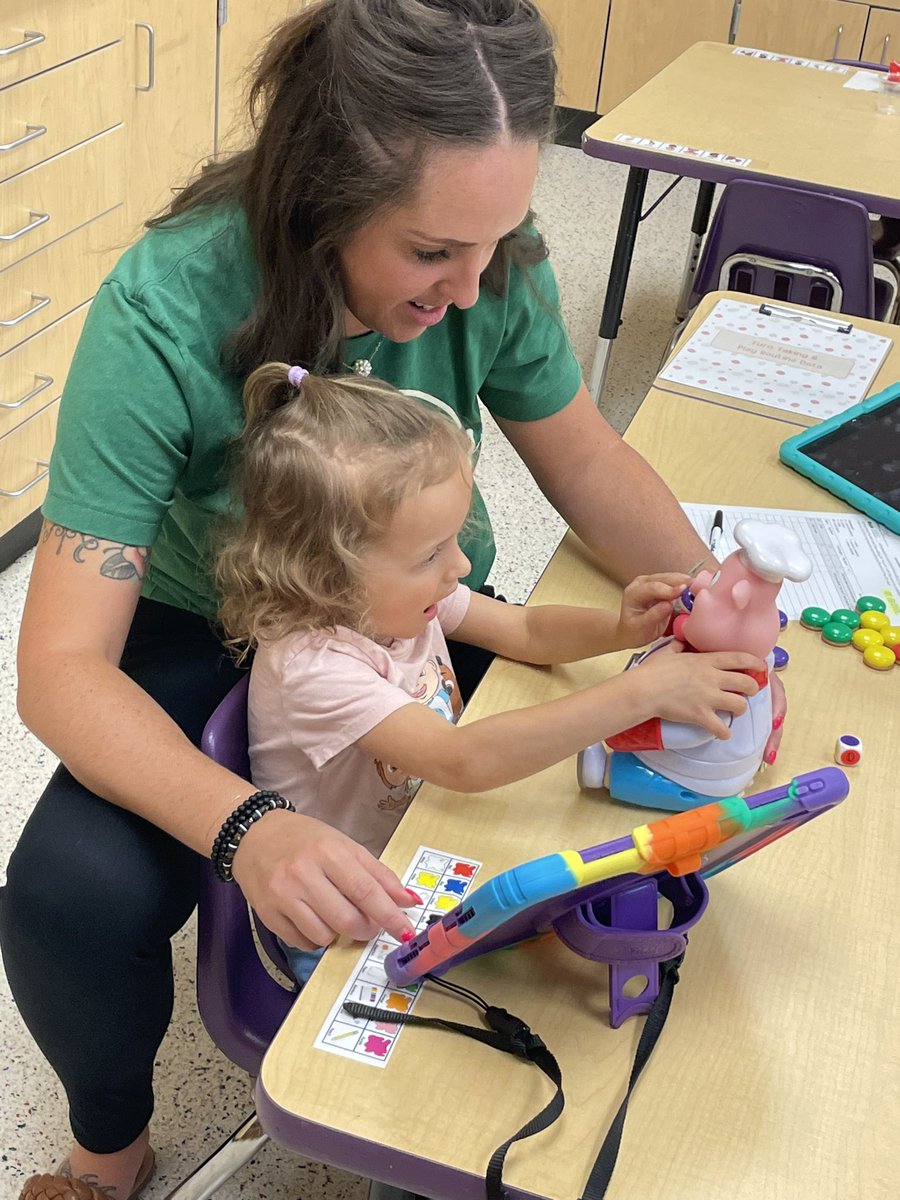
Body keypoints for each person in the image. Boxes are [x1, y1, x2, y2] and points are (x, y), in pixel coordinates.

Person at [0, 2, 783, 1197]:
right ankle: (108, 1158)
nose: (473, 291)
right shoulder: (165, 310)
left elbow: (583, 461)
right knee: (70, 897)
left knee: (571, 827)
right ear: (320, 195)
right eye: (431, 254)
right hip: (199, 619)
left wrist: (716, 616)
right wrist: (246, 826)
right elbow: (61, 669)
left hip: (408, 601)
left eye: (500, 241)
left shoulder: (488, 264)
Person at [218, 364, 764, 984]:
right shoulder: (313, 668)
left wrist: (620, 628)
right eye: (431, 553)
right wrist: (639, 691)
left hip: (430, 837)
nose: (458, 566)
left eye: (453, 540)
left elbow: (524, 631)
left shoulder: (398, 600)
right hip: (354, 912)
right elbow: (461, 761)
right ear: (325, 573)